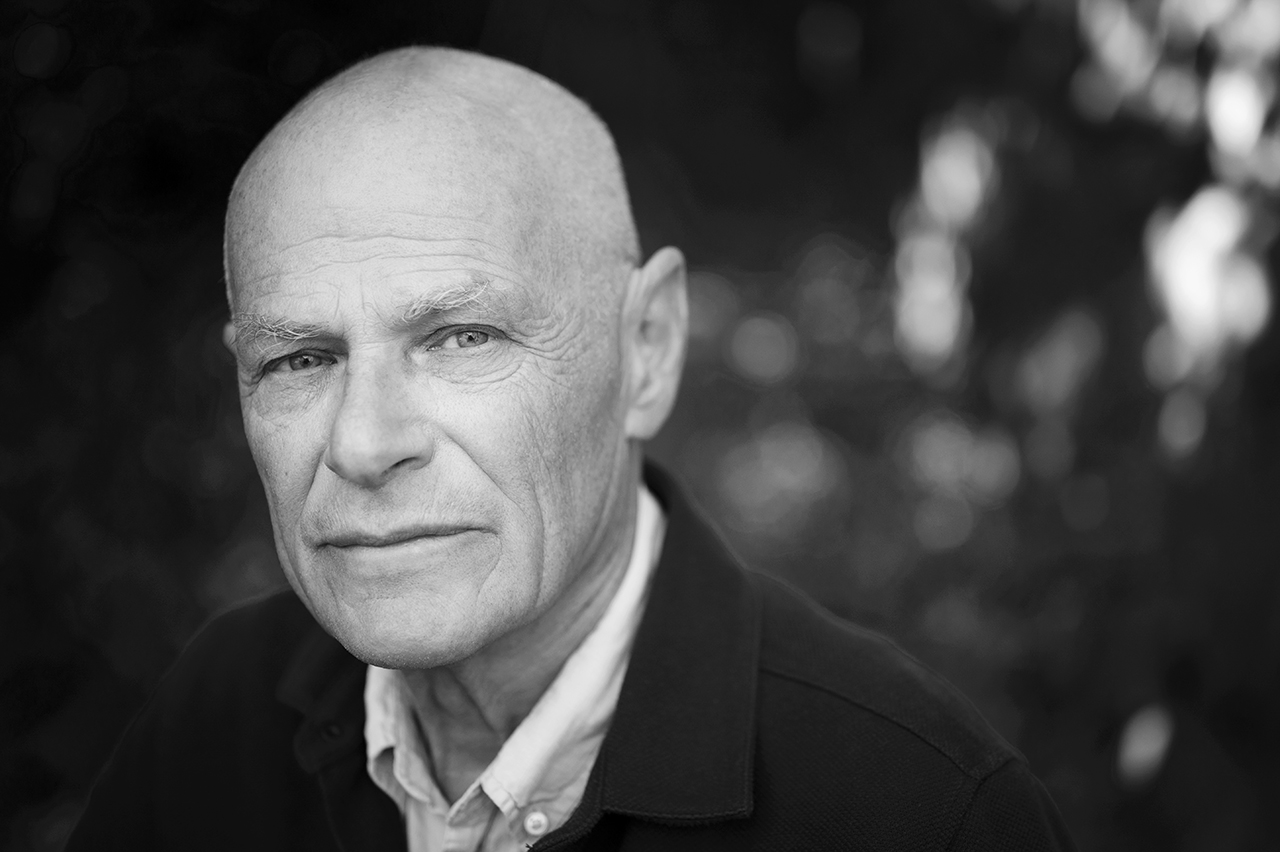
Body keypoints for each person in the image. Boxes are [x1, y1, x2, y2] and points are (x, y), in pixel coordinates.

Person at [66, 47, 1075, 851]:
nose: (364, 445)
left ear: (647, 351)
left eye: (462, 338)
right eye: (299, 360)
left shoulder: (918, 814)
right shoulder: (214, 721)